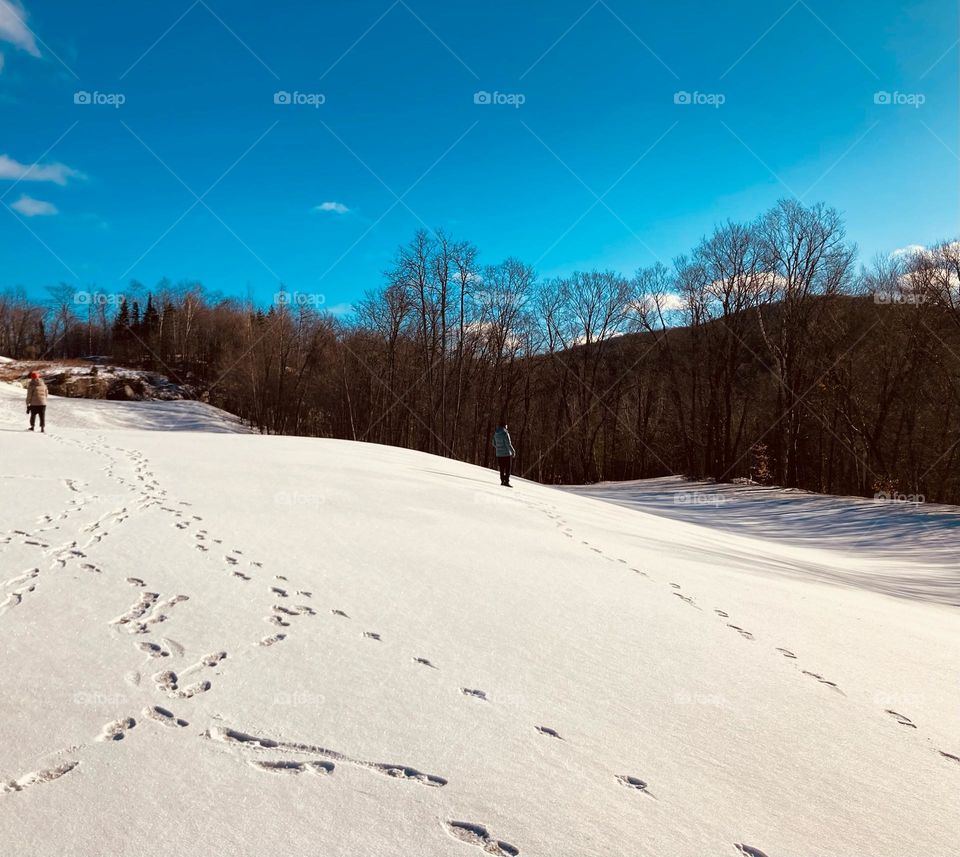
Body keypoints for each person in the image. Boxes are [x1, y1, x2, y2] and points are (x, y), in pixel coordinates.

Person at [492, 422, 516, 487]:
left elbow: (493, 443)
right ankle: (506, 481)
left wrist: (498, 448)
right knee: (508, 468)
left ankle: (502, 481)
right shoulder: (505, 433)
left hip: (499, 454)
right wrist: (513, 451)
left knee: (502, 468)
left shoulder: (496, 433)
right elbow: (508, 444)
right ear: (504, 426)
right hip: (506, 454)